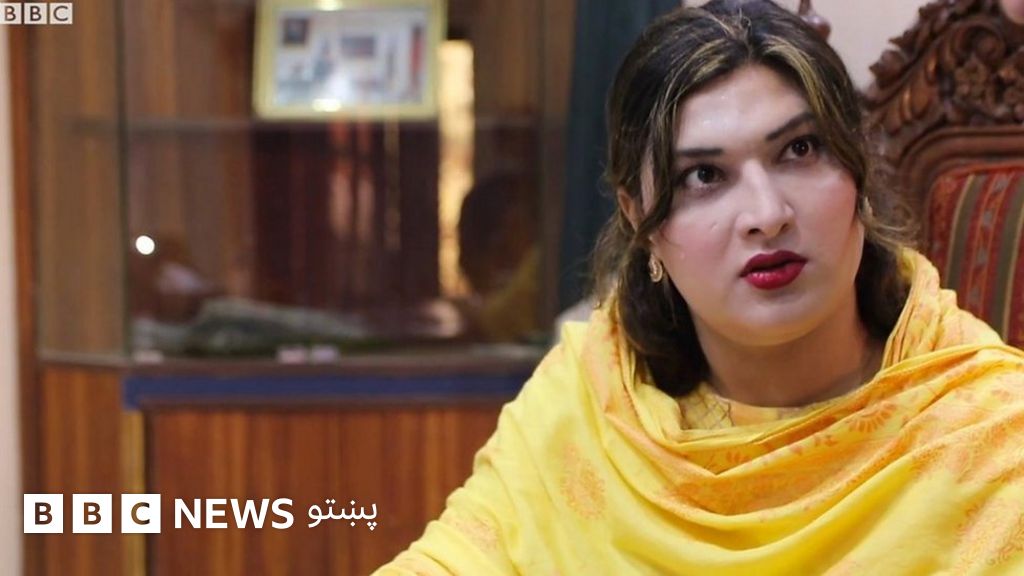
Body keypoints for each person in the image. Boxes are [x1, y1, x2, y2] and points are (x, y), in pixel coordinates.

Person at [375, 1, 1024, 573]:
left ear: (859, 172)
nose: (766, 214)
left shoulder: (990, 435)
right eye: (704, 177)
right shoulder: (594, 401)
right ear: (640, 220)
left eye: (799, 150)